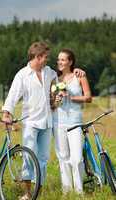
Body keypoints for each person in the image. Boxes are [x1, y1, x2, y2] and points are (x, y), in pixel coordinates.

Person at [2, 42, 85, 198]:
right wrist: (7, 113)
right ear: (38, 57)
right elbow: (13, 96)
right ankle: (27, 194)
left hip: (47, 122)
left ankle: (37, 193)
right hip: (30, 122)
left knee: (43, 160)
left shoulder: (50, 73)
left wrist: (77, 71)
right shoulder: (22, 75)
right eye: (45, 57)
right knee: (28, 156)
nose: (48, 60)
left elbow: (63, 79)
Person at [51, 48, 92, 194]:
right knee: (63, 158)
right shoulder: (55, 79)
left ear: (70, 62)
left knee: (77, 158)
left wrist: (71, 97)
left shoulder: (79, 76)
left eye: (62, 59)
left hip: (75, 122)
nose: (59, 62)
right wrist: (56, 100)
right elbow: (53, 105)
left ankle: (79, 191)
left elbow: (88, 97)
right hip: (58, 123)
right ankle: (67, 191)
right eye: (58, 59)